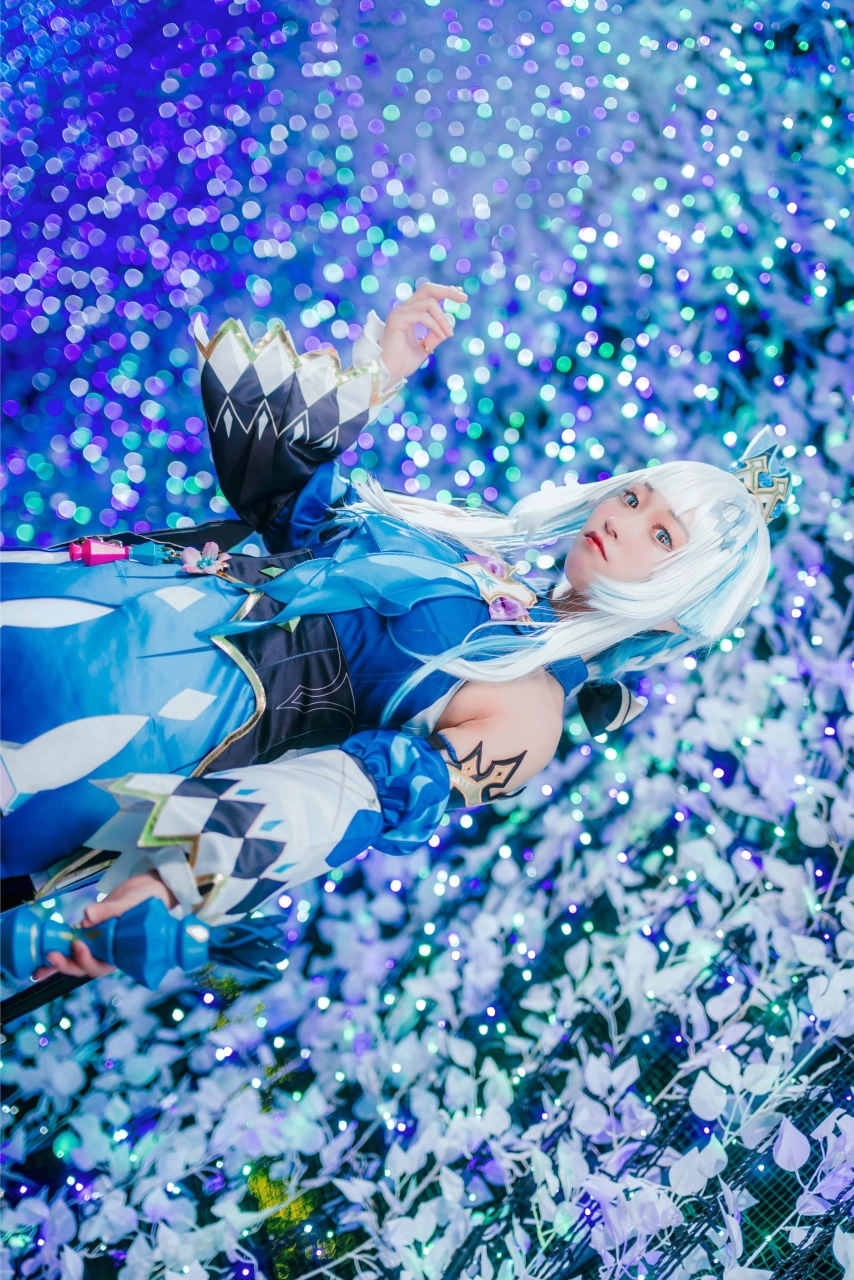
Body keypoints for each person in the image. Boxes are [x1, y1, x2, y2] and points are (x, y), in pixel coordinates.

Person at [0, 282, 787, 982]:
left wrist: (180, 875)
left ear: (680, 608)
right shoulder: (476, 551)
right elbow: (293, 517)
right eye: (636, 497)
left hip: (154, 717)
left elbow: (343, 794)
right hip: (120, 601)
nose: (625, 520)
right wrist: (383, 369)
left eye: (663, 536)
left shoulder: (532, 711)